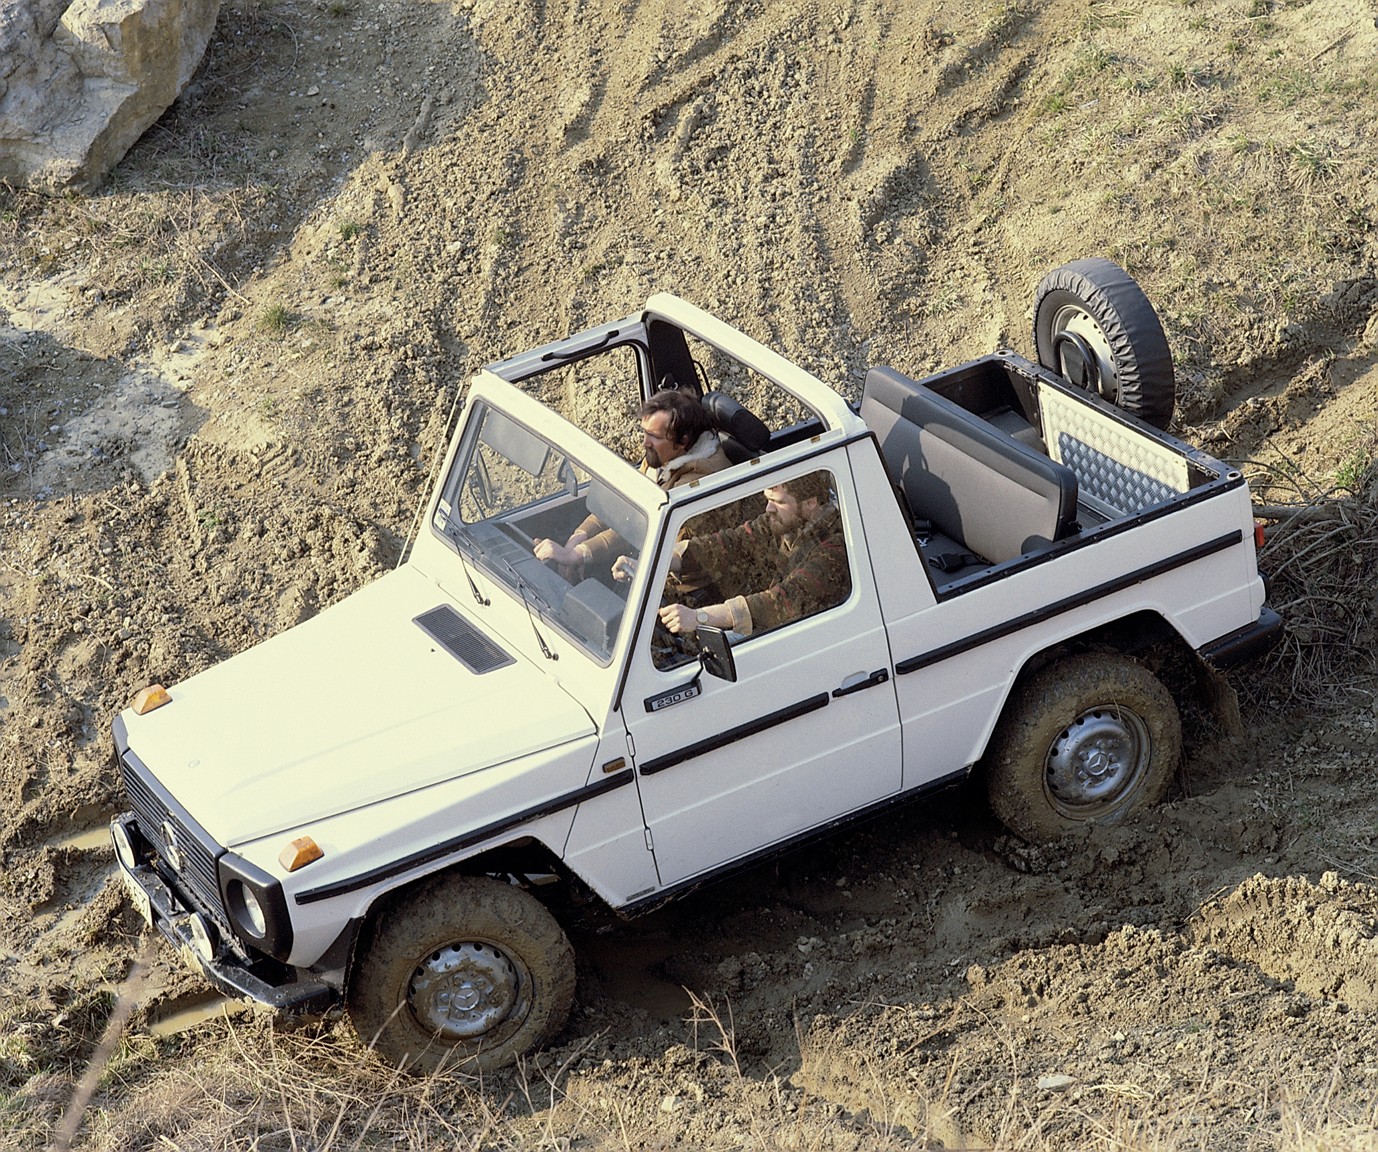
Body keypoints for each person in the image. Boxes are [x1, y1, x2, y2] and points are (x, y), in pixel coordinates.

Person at [533, 389, 730, 579]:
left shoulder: (699, 477)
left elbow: (644, 524)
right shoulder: (664, 455)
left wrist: (578, 554)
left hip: (681, 578)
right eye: (644, 432)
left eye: (654, 436)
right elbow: (623, 504)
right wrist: (578, 538)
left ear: (683, 442)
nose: (645, 442)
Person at [658, 471, 850, 641]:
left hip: (809, 640)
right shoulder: (785, 521)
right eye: (768, 499)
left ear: (810, 503)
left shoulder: (835, 546)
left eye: (779, 502)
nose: (769, 509)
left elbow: (783, 600)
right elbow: (732, 542)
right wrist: (660, 561)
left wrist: (699, 617)